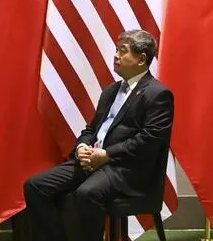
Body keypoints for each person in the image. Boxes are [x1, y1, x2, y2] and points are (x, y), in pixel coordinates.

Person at [24, 29, 174, 241]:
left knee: (86, 194)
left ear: (142, 59)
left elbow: (148, 141)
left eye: (122, 51)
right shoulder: (111, 91)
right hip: (93, 160)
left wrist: (107, 155)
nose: (115, 55)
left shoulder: (157, 94)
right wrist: (82, 147)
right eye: (116, 49)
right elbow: (91, 129)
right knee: (36, 186)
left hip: (125, 168)